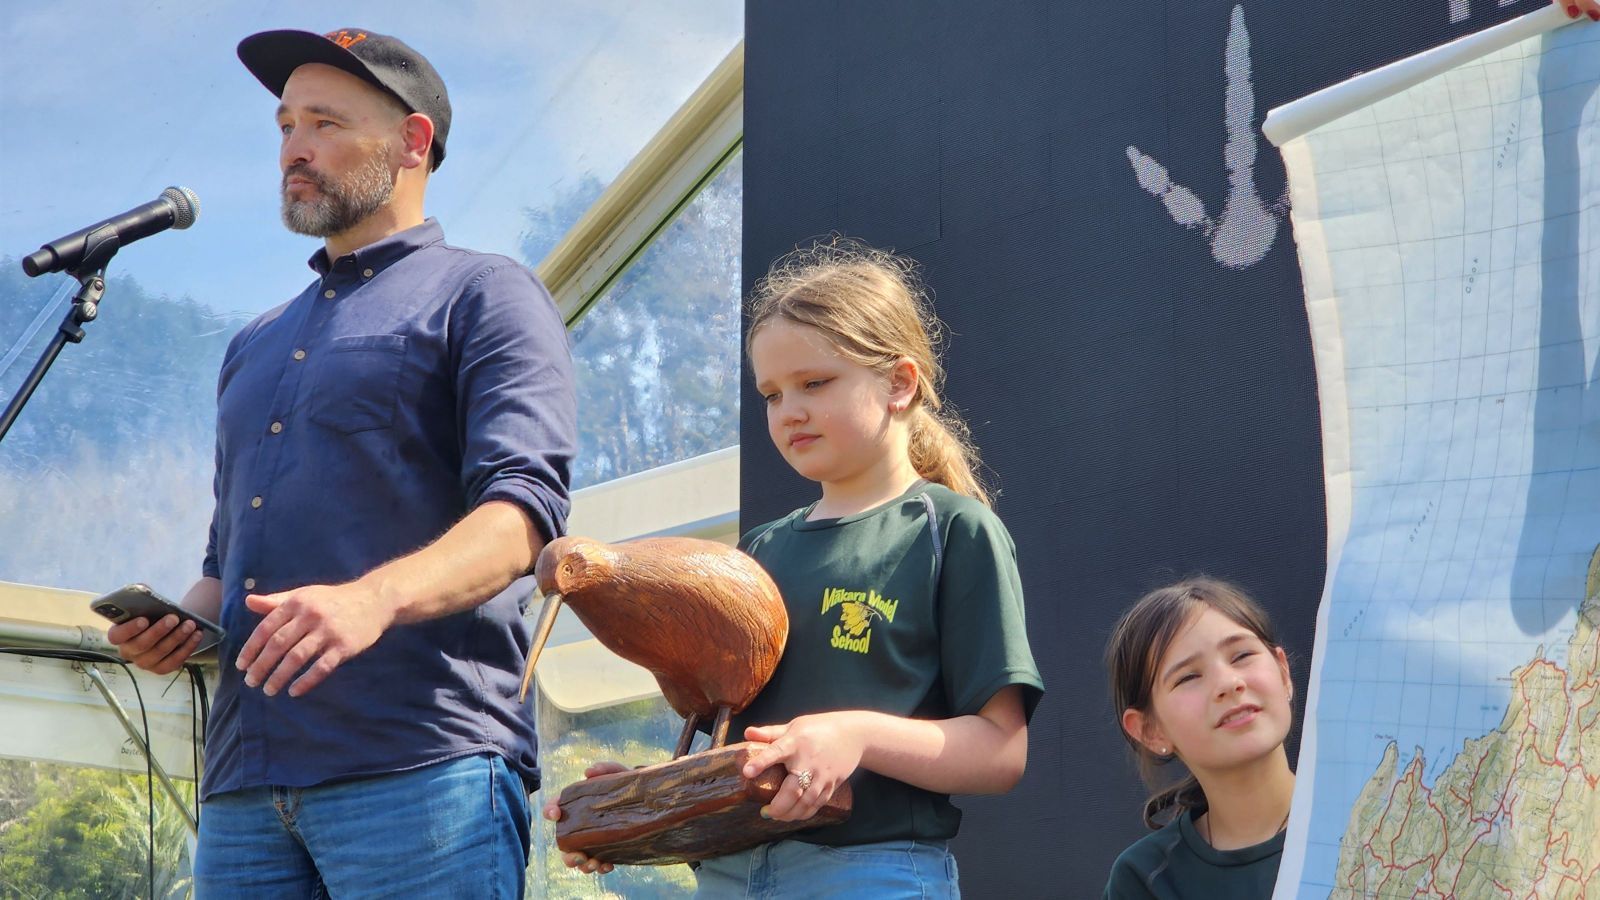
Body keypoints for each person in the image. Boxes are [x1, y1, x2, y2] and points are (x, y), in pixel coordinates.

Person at [105, 27, 576, 898]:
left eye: (325, 122)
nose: (295, 147)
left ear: (412, 143)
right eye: (285, 126)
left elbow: (523, 516)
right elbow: (224, 566)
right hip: (244, 787)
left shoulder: (487, 293)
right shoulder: (252, 345)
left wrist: (373, 599)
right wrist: (179, 621)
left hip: (423, 765)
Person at [546, 239, 1044, 897]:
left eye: (814, 383)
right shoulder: (757, 553)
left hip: (870, 874)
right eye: (772, 394)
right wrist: (640, 799)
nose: (790, 412)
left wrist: (855, 736)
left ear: (900, 383)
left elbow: (1000, 753)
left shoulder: (950, 530)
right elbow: (737, 750)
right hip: (726, 876)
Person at [1102, 578, 1297, 899]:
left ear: (1283, 673)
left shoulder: (1379, 823)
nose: (1228, 683)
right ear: (1150, 730)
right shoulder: (1144, 878)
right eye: (1189, 676)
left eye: (1241, 655)